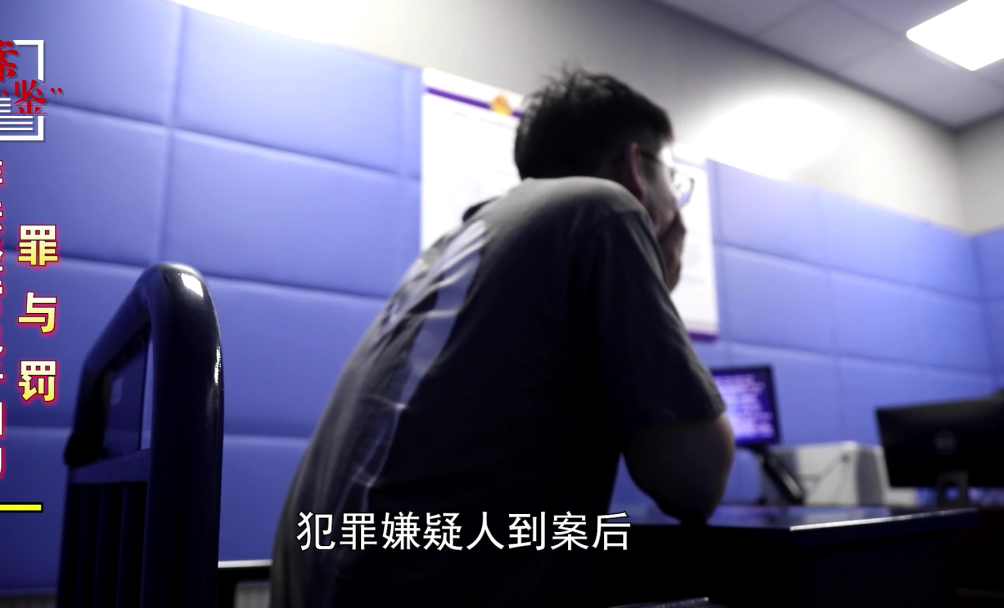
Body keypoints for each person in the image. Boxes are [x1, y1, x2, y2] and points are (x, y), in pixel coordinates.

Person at [270, 68, 735, 608]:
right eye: (673, 178)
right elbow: (695, 481)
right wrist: (659, 295)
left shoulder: (458, 243)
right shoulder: (602, 209)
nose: (676, 201)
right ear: (637, 169)